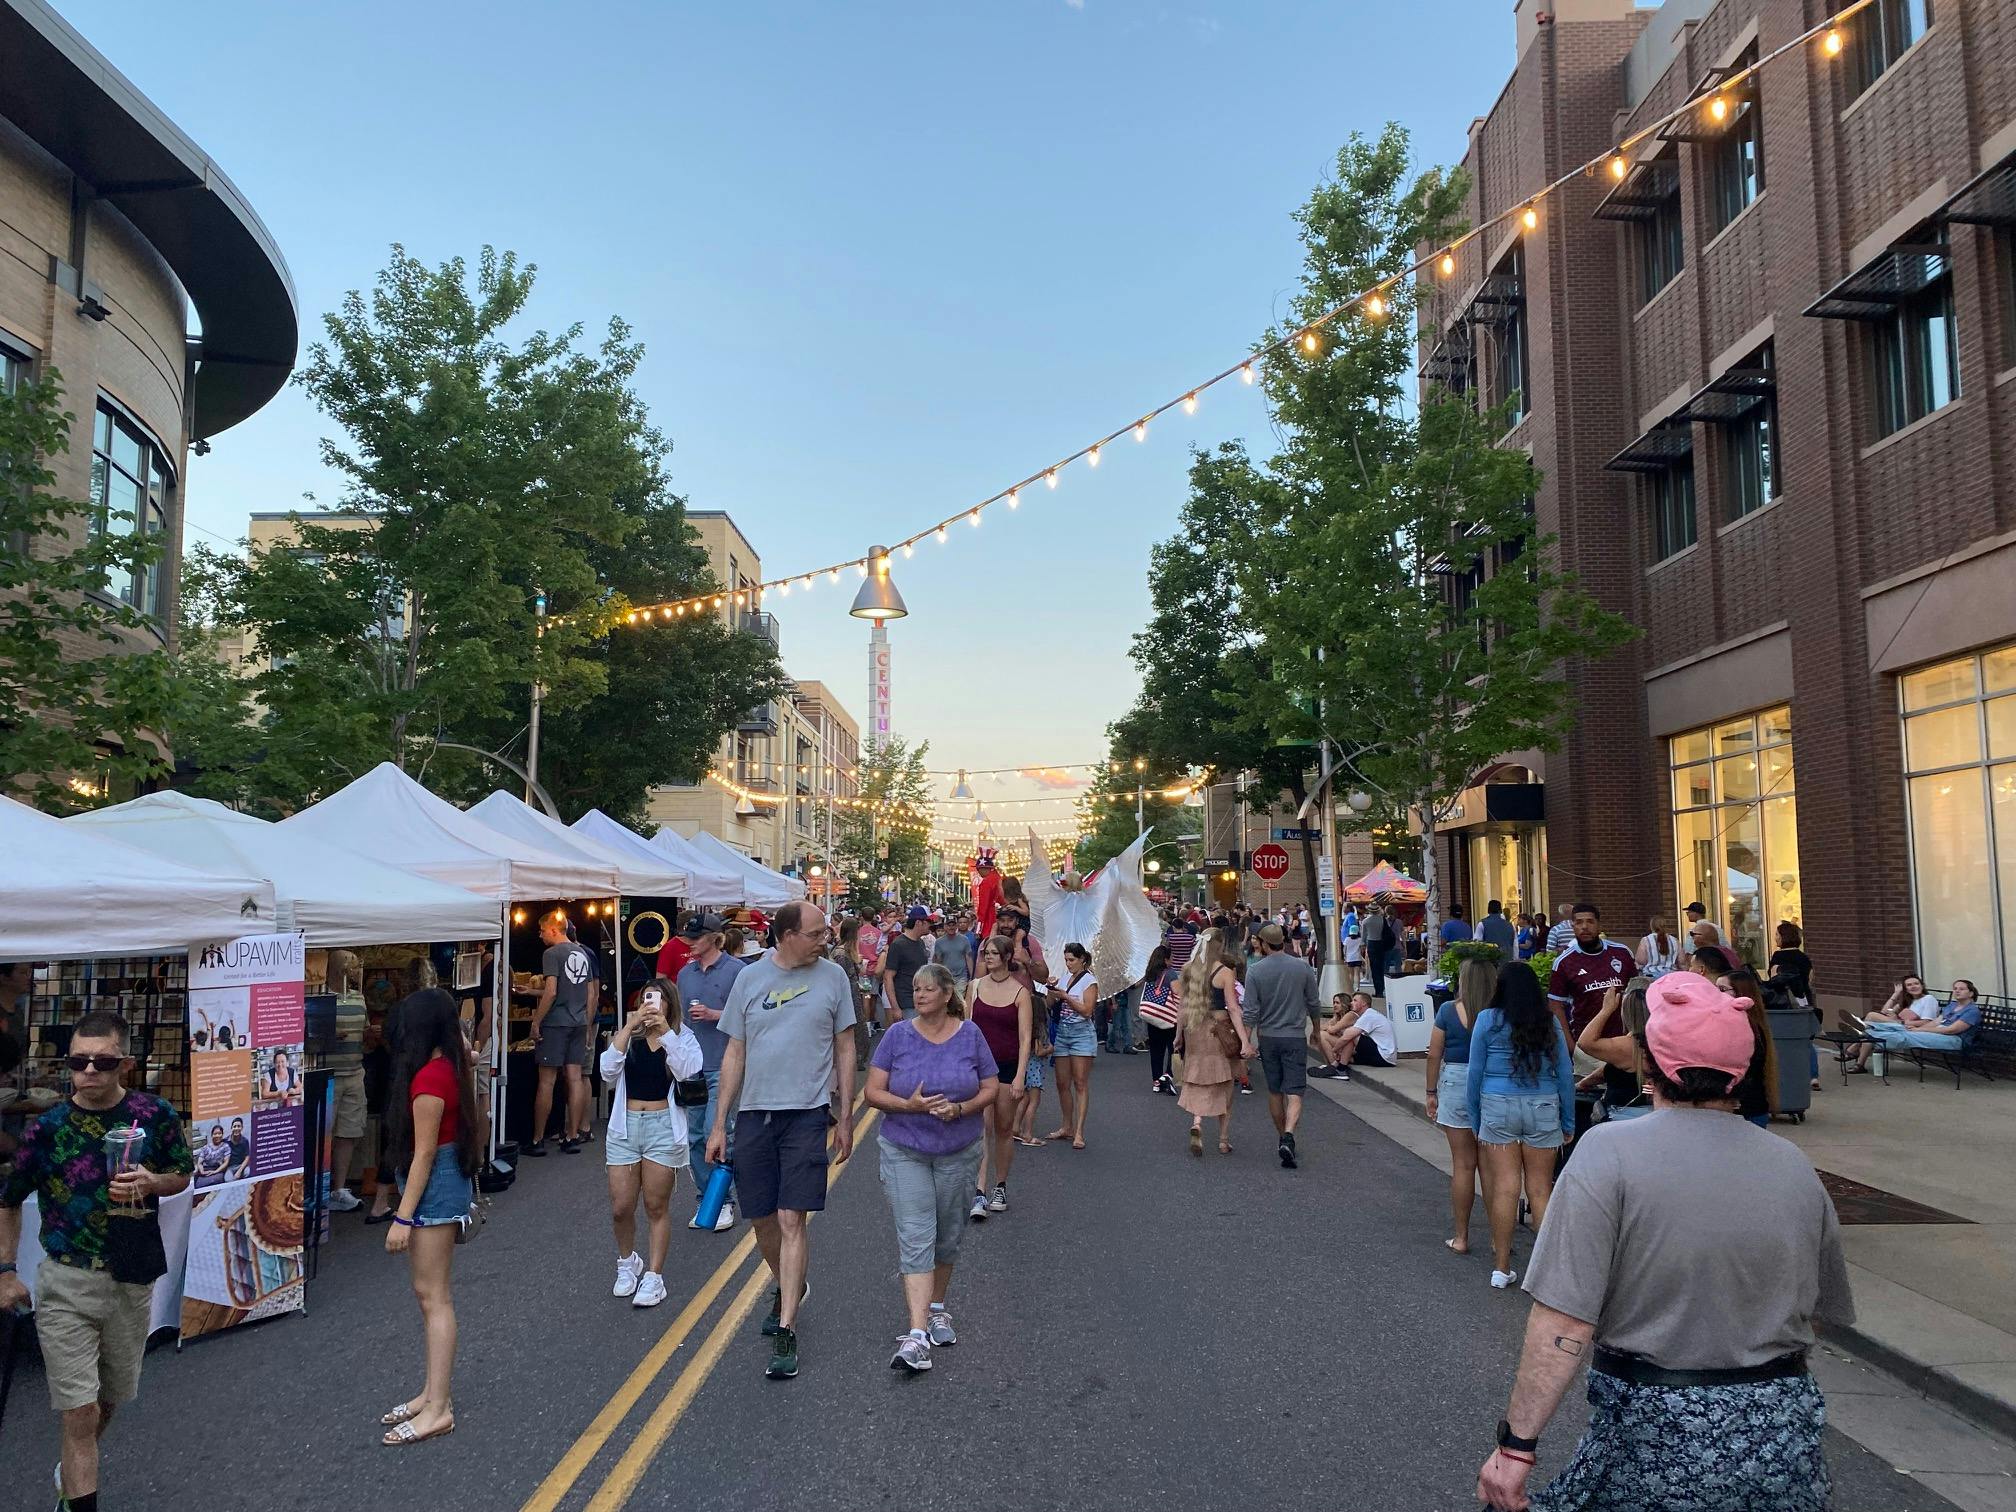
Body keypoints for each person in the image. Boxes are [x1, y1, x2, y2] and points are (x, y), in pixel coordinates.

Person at [1475, 970, 1852, 1512]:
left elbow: (1565, 1321)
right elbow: (1819, 1310)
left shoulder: (1608, 1153)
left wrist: (1516, 1450)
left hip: (1653, 1435)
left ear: (1650, 1064)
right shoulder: (1793, 1166)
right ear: (1741, 1068)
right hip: (1782, 1441)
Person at [0, 1011, 192, 1511]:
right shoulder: (48, 1128)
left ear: (123, 1064)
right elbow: (8, 1198)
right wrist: (4, 1270)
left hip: (131, 1276)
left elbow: (183, 1174)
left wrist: (153, 1181)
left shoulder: (155, 1115)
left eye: (102, 1062)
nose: (89, 1071)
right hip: (66, 1278)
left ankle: (71, 1470)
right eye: (78, 1061)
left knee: (109, 1399)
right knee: (78, 1412)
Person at [707, 900, 857, 1381]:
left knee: (794, 1216)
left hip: (807, 1114)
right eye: (815, 933)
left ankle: (787, 1326)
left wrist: (847, 1114)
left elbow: (846, 1045)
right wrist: (718, 1122)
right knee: (761, 1218)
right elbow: (734, 1050)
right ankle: (788, 1283)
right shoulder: (749, 980)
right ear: (786, 935)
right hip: (755, 1114)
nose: (825, 939)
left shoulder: (833, 977)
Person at [866, 964, 997, 1372]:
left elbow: (991, 1087)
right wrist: (908, 1106)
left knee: (948, 1233)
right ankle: (917, 1334)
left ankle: (938, 1306)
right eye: (915, 988)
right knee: (916, 1233)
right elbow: (872, 1092)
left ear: (945, 995)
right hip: (905, 1147)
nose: (918, 995)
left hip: (958, 1149)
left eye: (927, 989)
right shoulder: (897, 1035)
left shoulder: (970, 1035)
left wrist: (960, 1108)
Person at [377, 990, 479, 1446]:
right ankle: (432, 1394)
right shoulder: (451, 1067)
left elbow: (422, 1156)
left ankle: (438, 1407)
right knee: (429, 1295)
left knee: (434, 1296)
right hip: (444, 1181)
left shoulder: (429, 1081)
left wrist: (402, 1217)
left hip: (434, 1188)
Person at [1466, 962, 1576, 1290]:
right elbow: (1565, 1075)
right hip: (1543, 1105)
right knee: (1540, 1189)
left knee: (1505, 1187)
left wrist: (1475, 1117)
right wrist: (1567, 1120)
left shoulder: (1488, 1019)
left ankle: (1501, 1268)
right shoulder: (1549, 1021)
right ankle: (1549, 1273)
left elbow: (1475, 1073)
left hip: (1497, 1106)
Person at [601, 978, 703, 1310]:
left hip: (662, 1126)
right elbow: (606, 1072)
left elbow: (689, 1070)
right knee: (621, 1207)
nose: (652, 1005)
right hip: (626, 1128)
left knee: (656, 1206)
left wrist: (666, 1034)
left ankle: (655, 1276)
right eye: (647, 999)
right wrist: (630, 1026)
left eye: (658, 999)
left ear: (670, 1004)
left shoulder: (682, 1038)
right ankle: (627, 1261)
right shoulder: (629, 1037)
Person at [674, 913, 745, 1231]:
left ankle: (724, 1201)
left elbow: (746, 1017)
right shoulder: (685, 974)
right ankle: (706, 1198)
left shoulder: (737, 971)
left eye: (696, 938)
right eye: (688, 938)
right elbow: (680, 1019)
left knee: (717, 1133)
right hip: (692, 1067)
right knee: (693, 1137)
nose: (690, 943)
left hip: (723, 1063)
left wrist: (715, 1014)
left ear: (715, 938)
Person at [1426, 958, 1492, 1256]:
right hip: (1491, 1082)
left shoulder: (1447, 1011)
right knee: (1493, 1169)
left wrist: (1430, 1091)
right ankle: (1497, 1238)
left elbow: (1434, 1054)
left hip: (1455, 1080)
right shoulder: (1498, 1013)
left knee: (1463, 1165)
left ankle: (1461, 1236)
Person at [1244, 923, 1320, 1169]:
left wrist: (1246, 1041)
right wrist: (1316, 1030)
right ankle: (1289, 1134)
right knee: (1295, 1092)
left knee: (1275, 1090)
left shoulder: (1255, 971)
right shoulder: (1302, 967)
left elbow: (1250, 1012)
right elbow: (1314, 1002)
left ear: (1264, 944)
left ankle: (1282, 1137)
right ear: (1284, 941)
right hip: (1295, 1035)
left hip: (1268, 1036)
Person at [965, 937, 1032, 1218]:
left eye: (993, 953)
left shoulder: (1021, 993)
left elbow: (1025, 1037)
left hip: (1007, 1066)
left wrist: (1020, 1076)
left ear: (1006, 957)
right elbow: (967, 1027)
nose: (987, 957)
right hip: (979, 1068)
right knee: (982, 1128)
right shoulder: (975, 987)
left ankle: (1000, 1185)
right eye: (985, 953)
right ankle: (979, 1191)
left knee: (1004, 1129)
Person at [527, 911, 597, 1156]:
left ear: (554, 930)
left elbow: (551, 991)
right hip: (578, 1021)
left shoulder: (551, 954)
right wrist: (587, 1024)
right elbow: (590, 993)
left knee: (547, 1080)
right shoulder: (583, 953)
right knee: (575, 1077)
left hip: (556, 1022)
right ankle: (573, 1135)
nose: (540, 935)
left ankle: (537, 1140)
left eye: (543, 930)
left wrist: (536, 1021)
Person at [1176, 934, 1242, 1157]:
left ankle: (1197, 1121)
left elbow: (1182, 1008)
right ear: (1219, 946)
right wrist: (1244, 1039)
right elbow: (1233, 1008)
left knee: (1198, 1078)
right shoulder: (1225, 972)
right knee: (1224, 1082)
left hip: (1194, 1029)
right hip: (1218, 1030)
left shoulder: (1189, 969)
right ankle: (1223, 1140)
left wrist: (1179, 1036)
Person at [1545, 904, 1637, 1042]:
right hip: (1586, 1043)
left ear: (1599, 925)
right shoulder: (1564, 962)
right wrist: (1569, 1044)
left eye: (1590, 921)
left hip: (1623, 1039)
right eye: (1579, 922)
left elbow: (1637, 991)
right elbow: (1555, 1005)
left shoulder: (1622, 953)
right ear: (1573, 926)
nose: (1584, 927)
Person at [1853, 978, 1980, 1074]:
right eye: (1955, 988)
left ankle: (1867, 1033)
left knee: (1906, 1035)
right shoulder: (1952, 1005)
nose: (1957, 991)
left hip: (1955, 1039)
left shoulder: (1972, 1011)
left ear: (1971, 994)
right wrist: (1919, 1029)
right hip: (1938, 1031)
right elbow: (1936, 1022)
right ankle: (1868, 1031)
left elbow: (1952, 1030)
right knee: (1904, 1030)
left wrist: (1920, 1029)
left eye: (1961, 989)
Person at [1044, 944, 1099, 1150]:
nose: (1068, 964)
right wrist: (1051, 990)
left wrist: (1066, 997)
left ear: (1082, 959)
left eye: (1072, 960)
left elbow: (1087, 1010)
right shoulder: (1064, 978)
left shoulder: (1089, 981)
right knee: (1061, 1083)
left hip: (1082, 1034)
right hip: (1063, 1033)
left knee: (1080, 1083)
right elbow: (1050, 1005)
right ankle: (1066, 1126)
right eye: (1066, 960)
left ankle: (1079, 1131)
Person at [1578, 981, 1656, 1124]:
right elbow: (1612, 1067)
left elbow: (1585, 1042)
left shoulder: (1627, 1046)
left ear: (1625, 1012)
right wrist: (1586, 1082)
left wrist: (1606, 1009)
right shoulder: (1663, 1041)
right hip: (1655, 1112)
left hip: (1623, 1116)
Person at [1718, 966, 1782, 1128]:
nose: (1716, 994)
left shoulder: (1748, 1027)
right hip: (1746, 1107)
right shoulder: (1752, 1025)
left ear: (1741, 994)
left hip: (1745, 1109)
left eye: (1722, 989)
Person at [1312, 990, 1395, 1077]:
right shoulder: (1365, 1015)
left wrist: (1335, 1050)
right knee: (1349, 1050)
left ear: (1363, 1004)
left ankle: (1338, 1069)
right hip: (1382, 1056)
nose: (1351, 1003)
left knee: (1350, 1034)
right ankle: (1338, 1068)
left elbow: (1346, 1036)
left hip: (1384, 1055)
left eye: (1355, 1000)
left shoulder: (1369, 1015)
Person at [1137, 945, 1181, 1095]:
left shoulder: (1150, 973)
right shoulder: (1170, 974)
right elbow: (1177, 993)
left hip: (1152, 1017)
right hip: (1168, 1018)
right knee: (1173, 1048)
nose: (1173, 959)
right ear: (1165, 959)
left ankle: (1156, 1081)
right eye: (1171, 957)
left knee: (1156, 1050)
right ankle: (1167, 1076)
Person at [883, 906, 933, 1026]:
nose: (930, 926)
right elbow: (888, 977)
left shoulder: (920, 942)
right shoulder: (898, 945)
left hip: (921, 1000)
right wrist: (895, 1008)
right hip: (906, 1003)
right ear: (918, 923)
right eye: (928, 922)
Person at [931, 909, 973, 992]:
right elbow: (937, 961)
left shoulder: (964, 939)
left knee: (960, 1000)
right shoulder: (939, 942)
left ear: (956, 926)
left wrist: (972, 976)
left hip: (961, 977)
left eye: (953, 925)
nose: (951, 927)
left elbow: (968, 958)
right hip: (946, 977)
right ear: (945, 926)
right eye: (949, 925)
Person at [1361, 904, 1392, 999]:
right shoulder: (1383, 920)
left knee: (1374, 968)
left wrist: (1363, 946)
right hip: (1381, 944)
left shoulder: (1366, 921)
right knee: (1381, 967)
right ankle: (1381, 989)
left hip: (1371, 944)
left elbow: (1363, 936)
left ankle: (1377, 989)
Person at [1340, 903, 1363, 995]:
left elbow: (1352, 926)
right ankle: (1357, 987)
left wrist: (1345, 956)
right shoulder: (1359, 940)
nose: (1343, 909)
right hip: (1357, 956)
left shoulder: (1350, 916)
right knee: (1356, 972)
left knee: (1351, 973)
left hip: (1349, 954)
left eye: (1345, 907)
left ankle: (1351, 986)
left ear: (1349, 908)